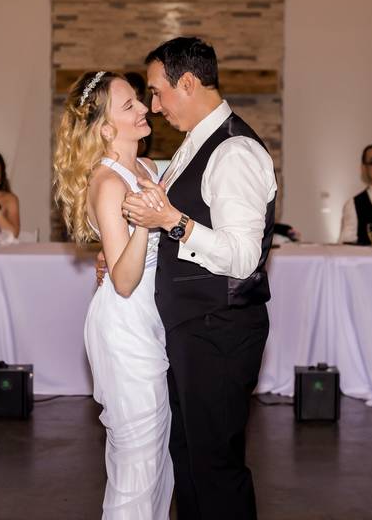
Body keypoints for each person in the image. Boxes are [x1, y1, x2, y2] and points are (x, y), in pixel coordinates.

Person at [121, 37, 277, 519]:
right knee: (189, 458)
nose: (154, 105)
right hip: (195, 329)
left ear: (186, 83)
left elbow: (243, 256)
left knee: (215, 467)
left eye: (157, 91)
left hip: (220, 330)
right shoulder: (196, 141)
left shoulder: (234, 151)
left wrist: (173, 221)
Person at [53, 70, 174, 519]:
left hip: (153, 320)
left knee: (160, 460)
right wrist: (144, 222)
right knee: (137, 462)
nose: (144, 108)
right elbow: (123, 280)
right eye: (130, 106)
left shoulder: (148, 167)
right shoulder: (109, 183)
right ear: (106, 128)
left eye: (139, 101)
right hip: (125, 326)